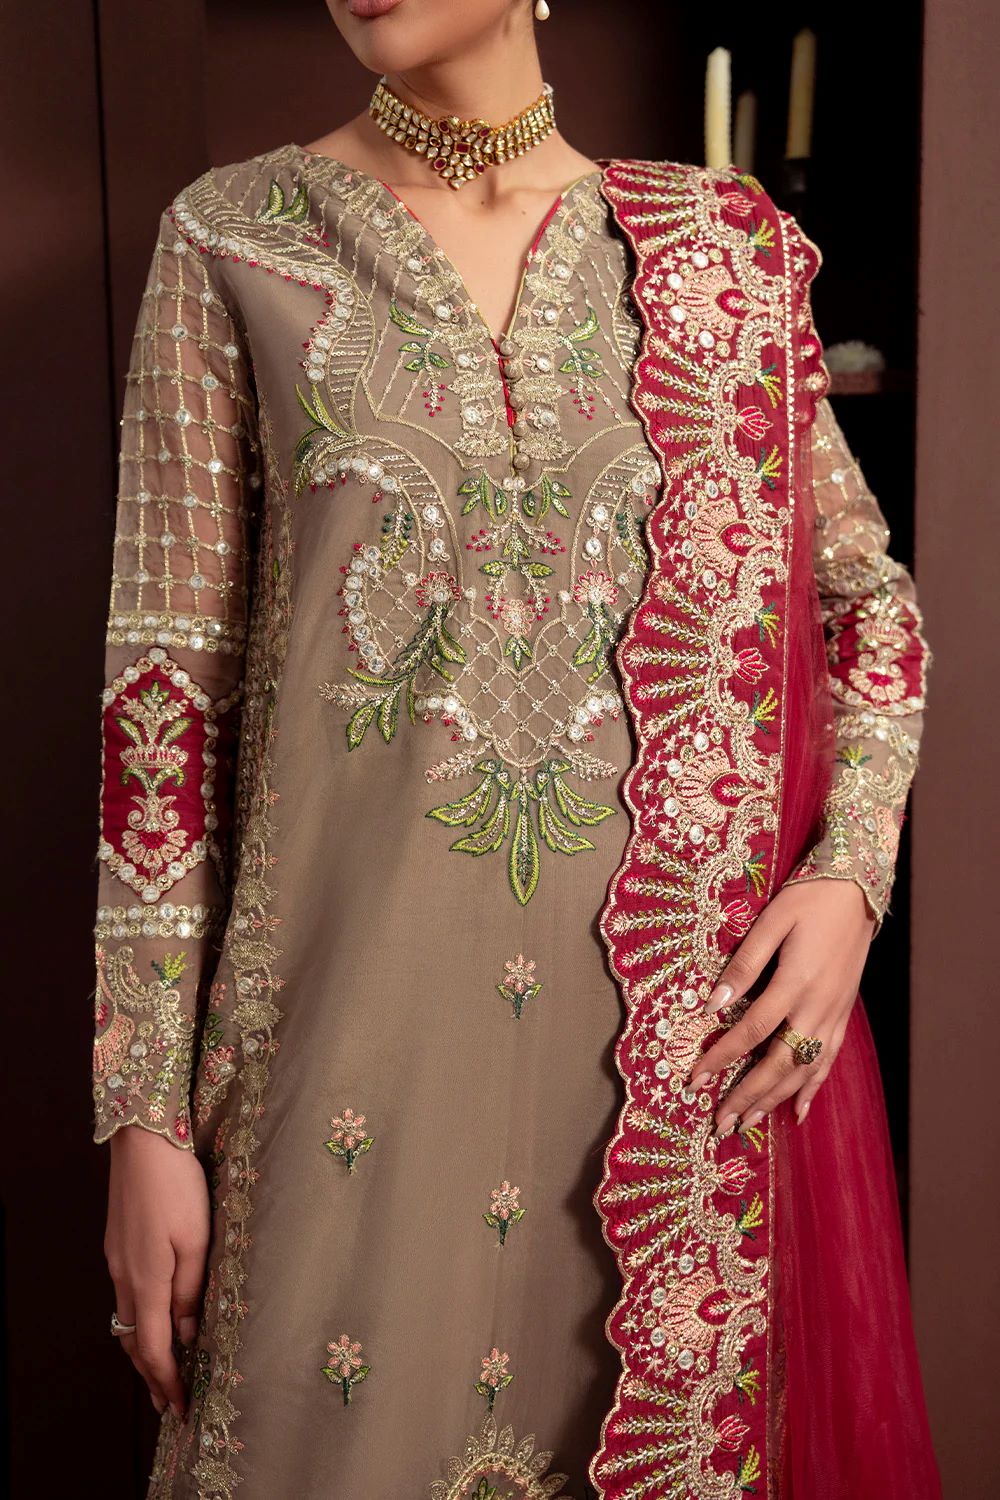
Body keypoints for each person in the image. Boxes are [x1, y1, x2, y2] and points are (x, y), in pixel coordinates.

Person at [92, 1, 941, 1495]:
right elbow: (163, 704)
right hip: (339, 1065)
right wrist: (145, 1116)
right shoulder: (232, 239)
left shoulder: (717, 256)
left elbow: (864, 606)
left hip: (671, 1071)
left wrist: (851, 874)